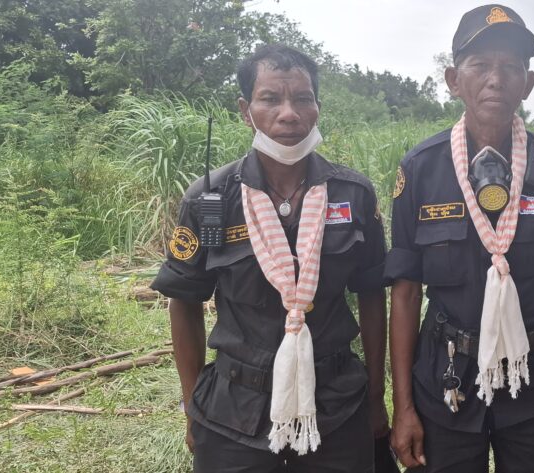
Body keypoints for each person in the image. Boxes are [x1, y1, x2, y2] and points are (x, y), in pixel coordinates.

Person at [151, 44, 391, 472]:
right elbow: (183, 302)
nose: (289, 113)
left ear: (318, 107)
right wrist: (192, 406)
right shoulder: (212, 198)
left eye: (302, 98)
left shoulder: (353, 194)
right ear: (246, 110)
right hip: (233, 412)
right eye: (270, 99)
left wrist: (376, 399)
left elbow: (373, 297)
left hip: (335, 404)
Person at [384, 5, 534, 472]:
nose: (495, 80)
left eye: (510, 67)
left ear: (528, 82)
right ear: (453, 79)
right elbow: (404, 292)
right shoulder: (420, 169)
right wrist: (403, 407)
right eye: (480, 65)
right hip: (447, 382)